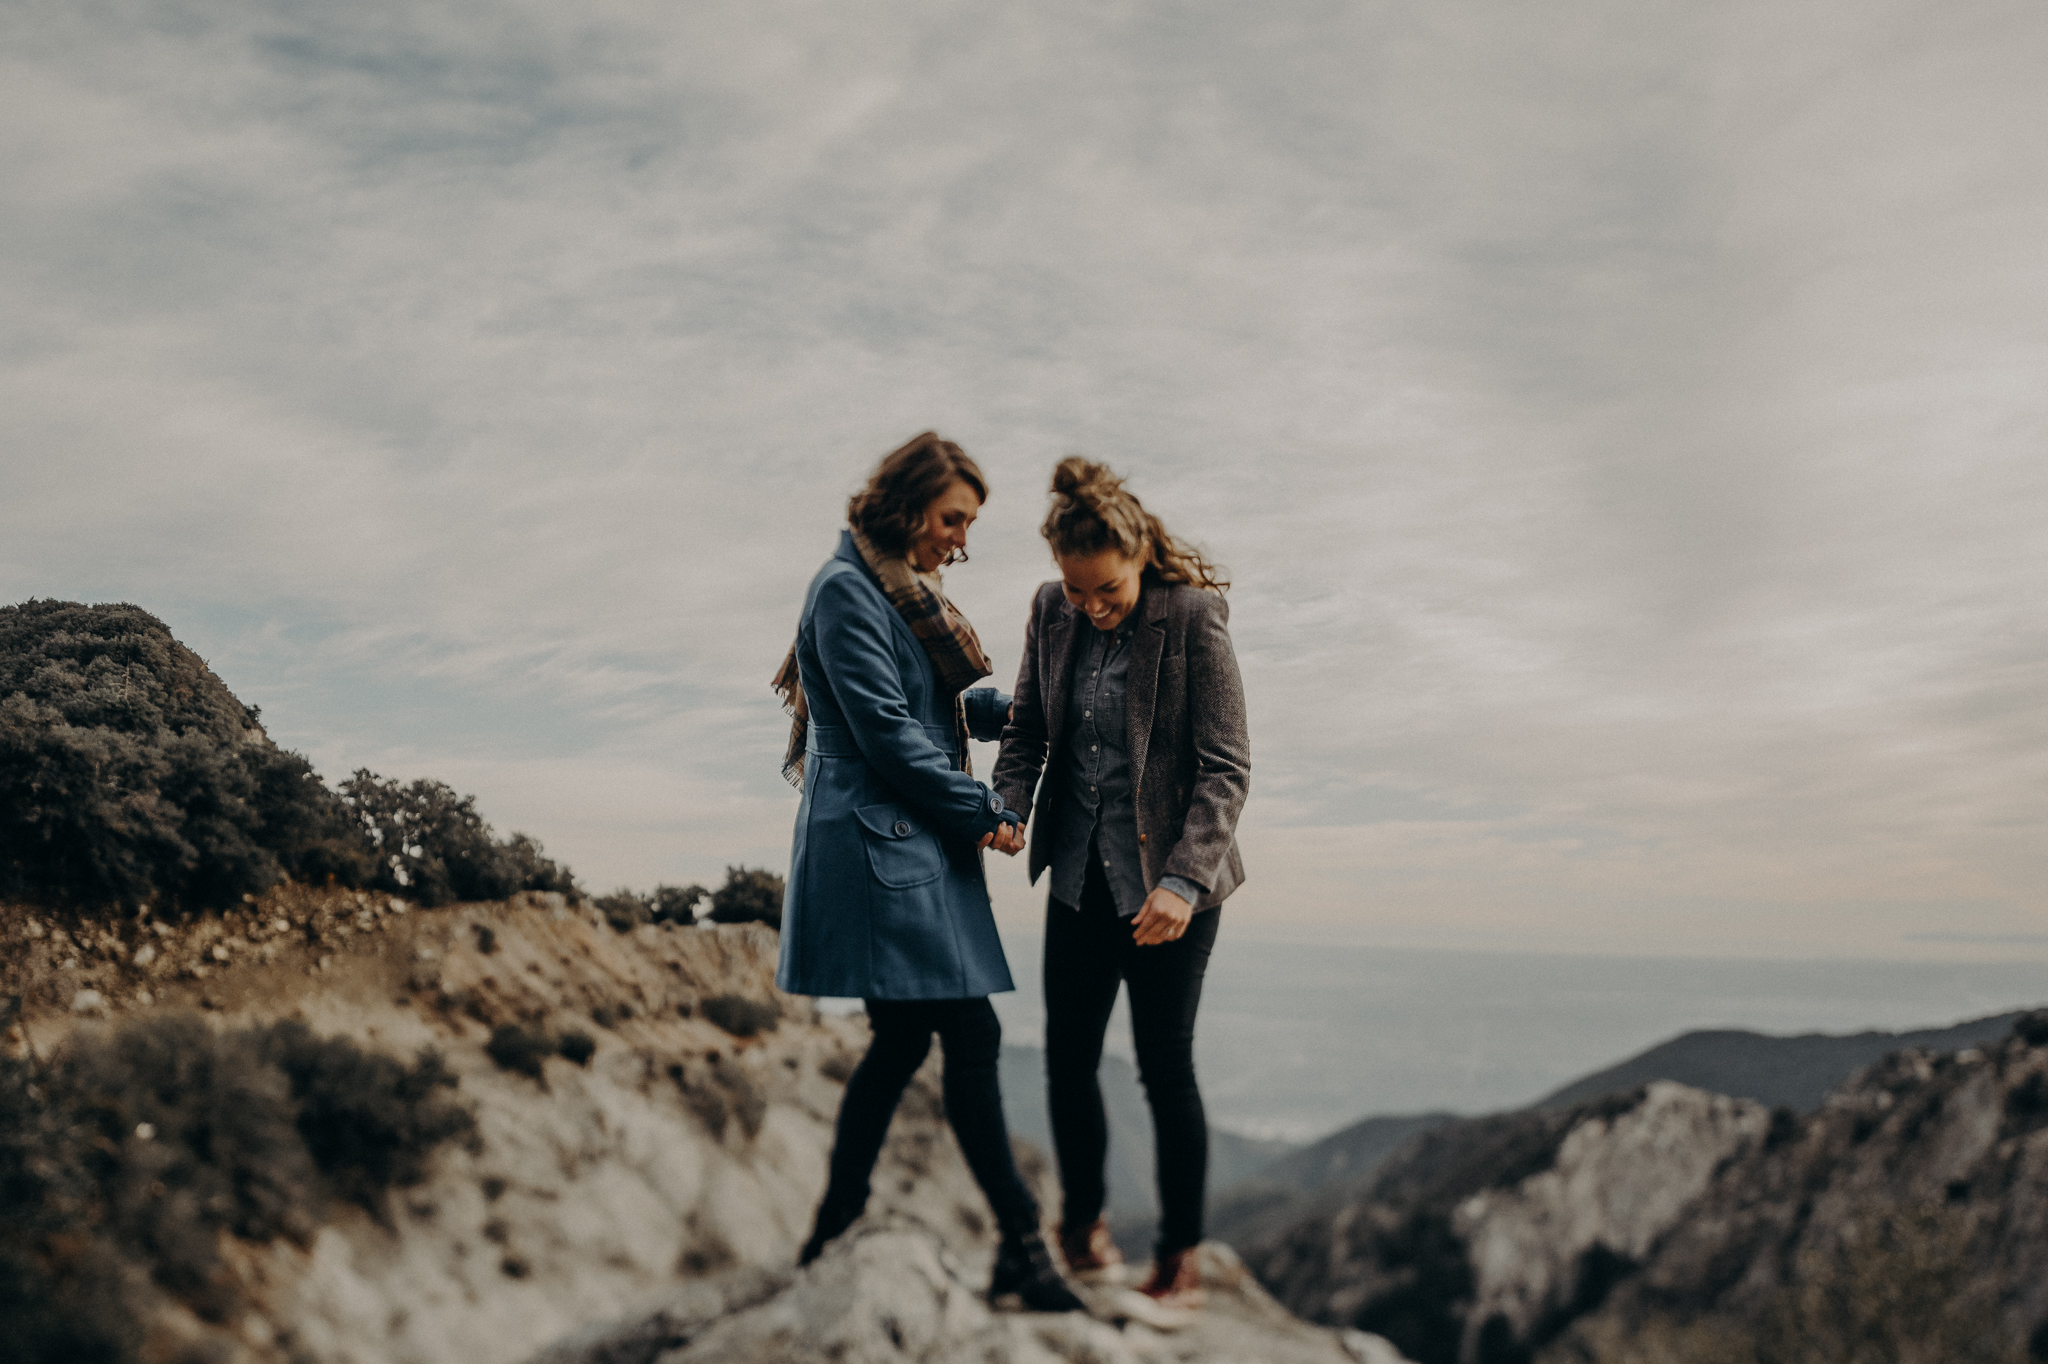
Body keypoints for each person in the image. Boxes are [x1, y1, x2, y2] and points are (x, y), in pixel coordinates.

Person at [773, 432, 1084, 1313]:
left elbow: (932, 707)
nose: (961, 539)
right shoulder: (846, 592)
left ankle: (835, 1225)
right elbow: (886, 733)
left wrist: (1018, 710)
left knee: (904, 1041)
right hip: (880, 847)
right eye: (954, 519)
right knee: (969, 1037)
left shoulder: (898, 590)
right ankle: (1022, 1245)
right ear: (909, 505)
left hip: (905, 840)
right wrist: (986, 811)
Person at [990, 456, 1250, 1310]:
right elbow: (1026, 730)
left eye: (1107, 590)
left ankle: (1180, 1259)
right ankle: (1082, 1226)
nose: (1092, 606)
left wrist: (1181, 881)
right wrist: (1010, 805)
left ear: (1139, 556)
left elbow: (1225, 770)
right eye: (1077, 590)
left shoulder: (1194, 617)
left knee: (1163, 1068)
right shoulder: (1046, 611)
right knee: (1068, 1059)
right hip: (1078, 878)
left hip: (1172, 889)